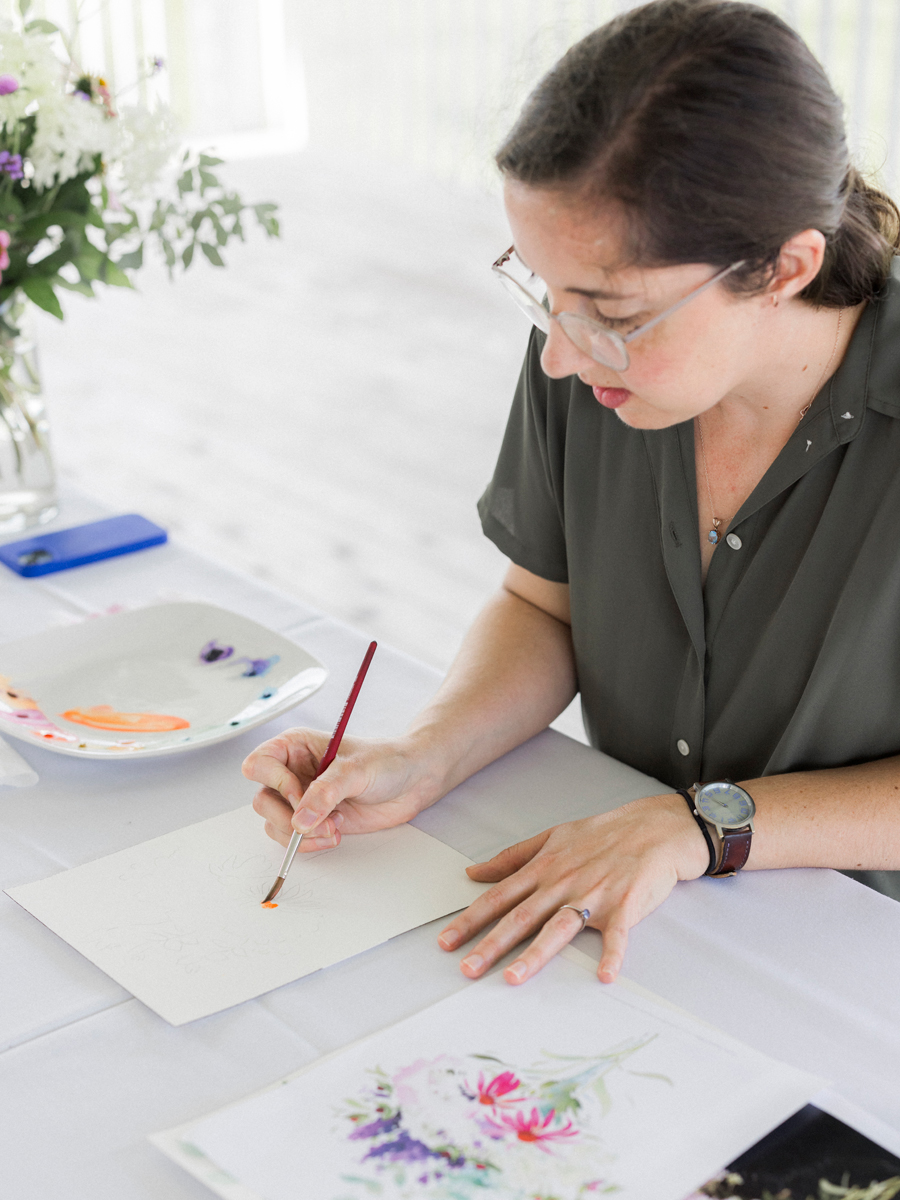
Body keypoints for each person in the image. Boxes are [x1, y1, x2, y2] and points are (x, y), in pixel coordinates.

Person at [244, 0, 900, 989]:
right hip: (618, 921)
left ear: (785, 266)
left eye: (610, 311)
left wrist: (697, 826)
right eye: (543, 292)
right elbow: (540, 606)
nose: (558, 350)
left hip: (853, 968)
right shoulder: (598, 359)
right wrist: (428, 754)